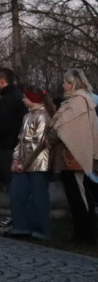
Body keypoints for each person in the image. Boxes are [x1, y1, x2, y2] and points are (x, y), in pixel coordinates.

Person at [48, 69, 98, 244]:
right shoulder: (77, 101)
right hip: (69, 155)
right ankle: (81, 232)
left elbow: (63, 127)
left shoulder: (79, 101)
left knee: (80, 195)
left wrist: (51, 136)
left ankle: (85, 234)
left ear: (72, 83)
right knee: (75, 194)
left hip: (75, 154)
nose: (63, 85)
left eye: (65, 82)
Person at [7, 86, 55, 240]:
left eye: (25, 97)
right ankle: (21, 226)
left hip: (38, 163)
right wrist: (15, 159)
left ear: (33, 99)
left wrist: (23, 164)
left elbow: (38, 143)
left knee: (38, 196)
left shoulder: (43, 116)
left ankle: (40, 230)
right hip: (23, 162)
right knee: (17, 193)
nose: (23, 99)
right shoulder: (27, 116)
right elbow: (21, 140)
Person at [0, 68, 27, 191]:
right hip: (20, 144)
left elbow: (2, 124)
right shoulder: (19, 96)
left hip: (7, 145)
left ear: (1, 80)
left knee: (11, 180)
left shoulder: (6, 100)